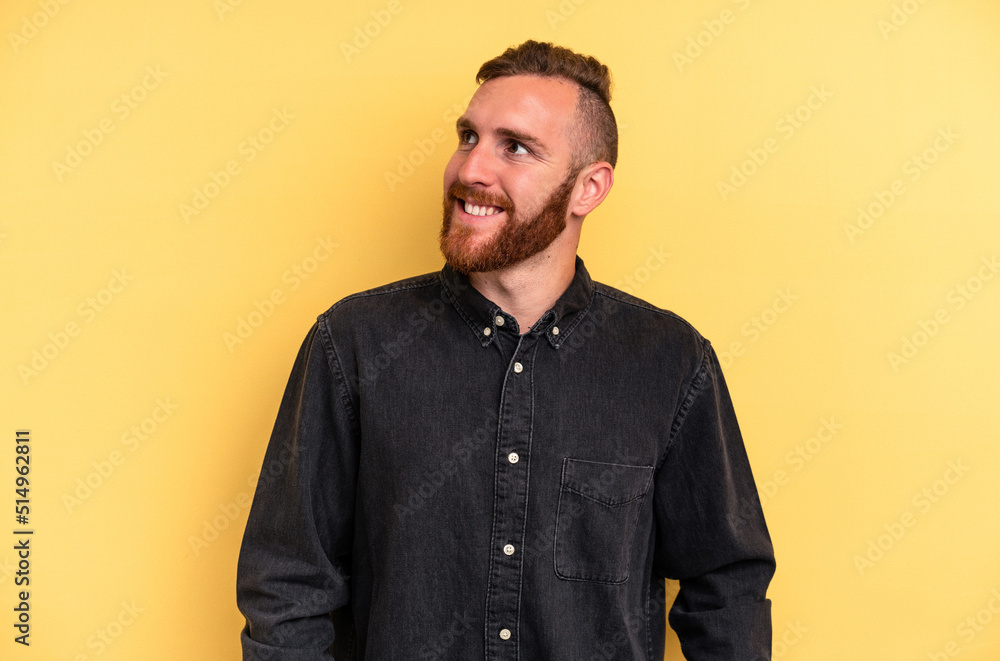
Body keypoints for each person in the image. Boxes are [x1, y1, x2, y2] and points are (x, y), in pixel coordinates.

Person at [237, 39, 775, 660]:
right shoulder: (354, 343)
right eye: (468, 137)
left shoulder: (668, 362)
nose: (471, 169)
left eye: (514, 147)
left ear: (588, 188)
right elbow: (288, 584)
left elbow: (727, 591)